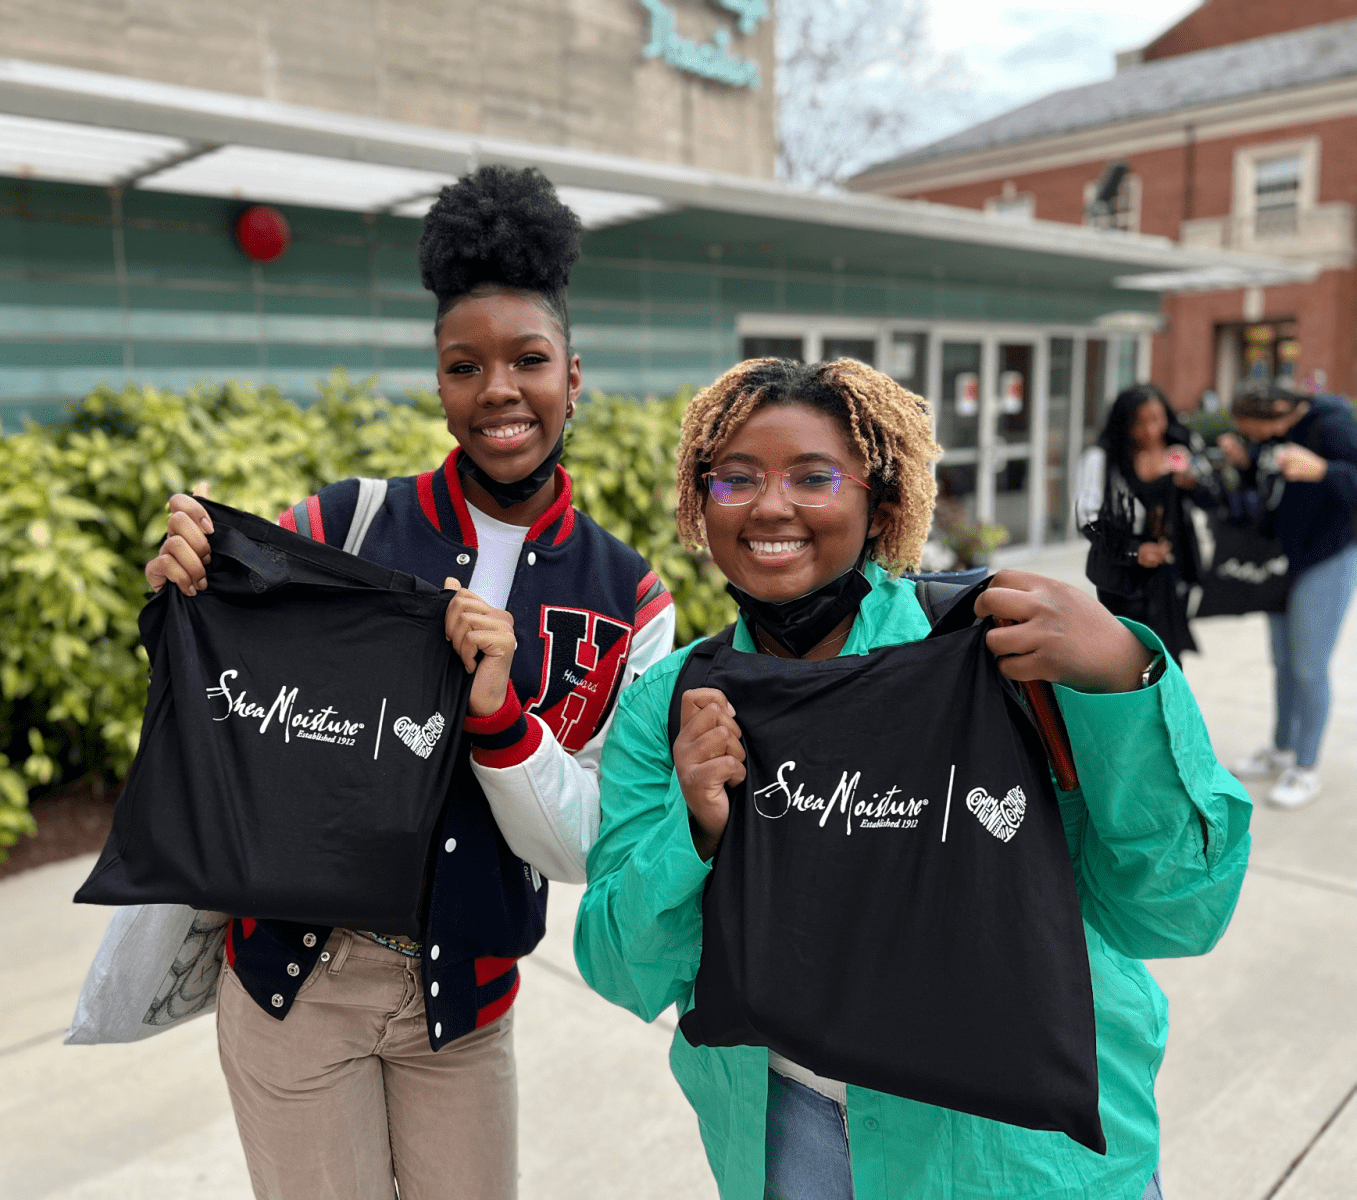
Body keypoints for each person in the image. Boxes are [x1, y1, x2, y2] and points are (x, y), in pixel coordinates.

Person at [573, 357, 1252, 1200]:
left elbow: (1178, 912)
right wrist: (696, 830)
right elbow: (617, 966)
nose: (771, 506)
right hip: (793, 1138)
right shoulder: (672, 706)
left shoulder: (1006, 656)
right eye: (735, 480)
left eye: (814, 477)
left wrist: (1122, 676)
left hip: (1020, 1157)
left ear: (881, 503)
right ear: (698, 503)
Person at [144, 165, 677, 1200]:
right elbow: (229, 711)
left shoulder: (630, 601)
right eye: (462, 365)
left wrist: (501, 719)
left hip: (467, 1004)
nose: (498, 391)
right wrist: (183, 596)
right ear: (438, 384)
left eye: (528, 360)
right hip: (297, 981)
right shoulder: (342, 526)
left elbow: (583, 846)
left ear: (576, 374)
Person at [1218, 382, 1357, 809]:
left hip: (1326, 558)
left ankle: (1306, 768)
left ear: (1279, 412)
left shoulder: (1333, 424)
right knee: (1283, 662)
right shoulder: (1279, 434)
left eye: (1254, 430)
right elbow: (1267, 485)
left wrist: (1323, 471)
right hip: (1281, 559)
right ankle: (1281, 749)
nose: (1254, 437)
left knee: (1309, 666)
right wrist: (1245, 462)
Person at [1076, 383, 1218, 665]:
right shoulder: (1102, 460)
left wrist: (1194, 483)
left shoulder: (1181, 447)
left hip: (1171, 573)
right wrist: (1133, 551)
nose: (1150, 430)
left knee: (1169, 658)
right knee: (1127, 658)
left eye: (1157, 419)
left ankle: (1167, 707)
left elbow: (1213, 500)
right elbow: (1087, 521)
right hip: (1123, 576)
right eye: (1138, 423)